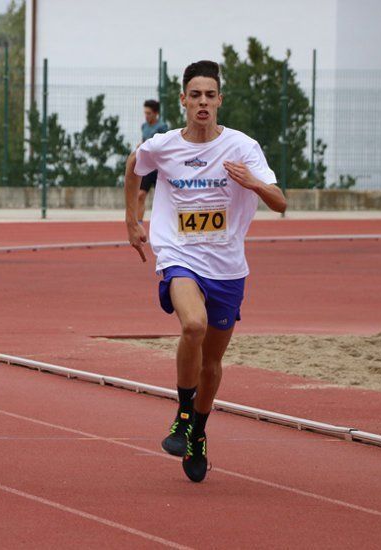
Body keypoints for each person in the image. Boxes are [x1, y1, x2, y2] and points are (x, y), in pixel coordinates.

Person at [124, 61, 286, 483]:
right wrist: (131, 221)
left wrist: (253, 183)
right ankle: (181, 414)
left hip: (227, 267)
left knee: (211, 364)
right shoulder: (164, 145)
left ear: (219, 101)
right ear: (182, 100)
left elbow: (281, 202)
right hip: (179, 255)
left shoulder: (242, 147)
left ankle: (198, 431)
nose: (202, 102)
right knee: (192, 326)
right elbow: (133, 165)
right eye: (194, 95)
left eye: (209, 95)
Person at [137, 99, 169, 223]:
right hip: (148, 167)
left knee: (161, 199)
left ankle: (165, 223)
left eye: (149, 113)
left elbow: (163, 145)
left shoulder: (162, 127)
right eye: (145, 113)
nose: (146, 116)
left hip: (159, 168)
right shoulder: (144, 126)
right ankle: (139, 224)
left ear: (156, 113)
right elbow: (145, 141)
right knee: (140, 195)